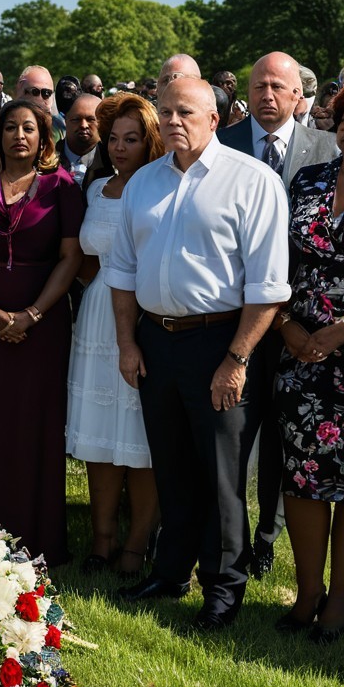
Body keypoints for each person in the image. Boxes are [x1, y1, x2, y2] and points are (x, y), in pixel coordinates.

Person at [108, 79, 289, 630]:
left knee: (220, 474)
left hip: (221, 341)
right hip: (156, 339)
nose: (173, 120)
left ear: (216, 117)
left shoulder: (251, 180)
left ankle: (224, 586)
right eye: (165, 111)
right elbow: (121, 270)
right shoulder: (144, 182)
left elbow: (268, 286)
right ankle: (171, 571)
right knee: (172, 464)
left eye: (185, 110)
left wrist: (236, 360)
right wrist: (127, 341)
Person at [218, 52, 338, 577]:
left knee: (283, 439)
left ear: (297, 96)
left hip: (303, 322)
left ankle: (269, 533)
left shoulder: (328, 149)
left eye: (277, 87)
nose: (267, 95)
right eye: (258, 86)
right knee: (235, 433)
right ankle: (228, 537)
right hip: (237, 315)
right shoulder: (222, 144)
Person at [0, 98, 84, 564]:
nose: (19, 136)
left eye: (29, 128)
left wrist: (33, 313)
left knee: (34, 422)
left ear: (44, 138)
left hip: (42, 326)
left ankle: (35, 535)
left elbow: (70, 257)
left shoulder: (62, 186)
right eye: (11, 128)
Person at [274, 80, 344, 641]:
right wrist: (285, 325)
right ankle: (308, 592)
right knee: (303, 478)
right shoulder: (308, 179)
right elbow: (274, 254)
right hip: (299, 351)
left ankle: (342, 600)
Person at [67, 93, 163, 573]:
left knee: (142, 437)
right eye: (113, 139)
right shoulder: (96, 187)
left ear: (150, 143)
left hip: (144, 316)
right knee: (101, 435)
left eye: (131, 139)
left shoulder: (162, 188)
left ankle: (136, 542)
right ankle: (101, 539)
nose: (120, 147)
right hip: (97, 315)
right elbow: (86, 257)